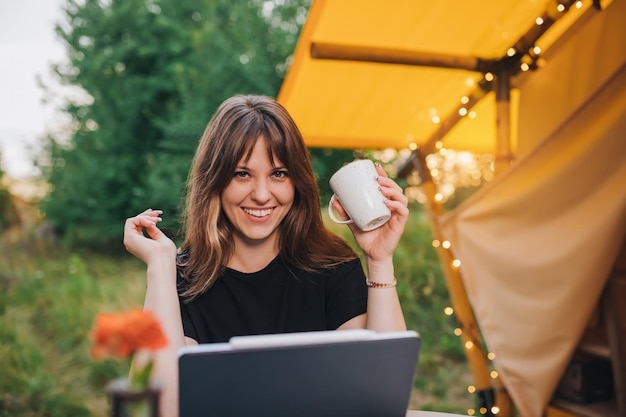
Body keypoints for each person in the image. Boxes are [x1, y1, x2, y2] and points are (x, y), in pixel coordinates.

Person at [123, 95, 409, 417]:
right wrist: (162, 264)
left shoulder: (333, 265)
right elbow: (156, 408)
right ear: (214, 180)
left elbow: (382, 398)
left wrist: (380, 259)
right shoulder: (184, 278)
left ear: (297, 182)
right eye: (242, 174)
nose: (261, 195)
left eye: (278, 174)